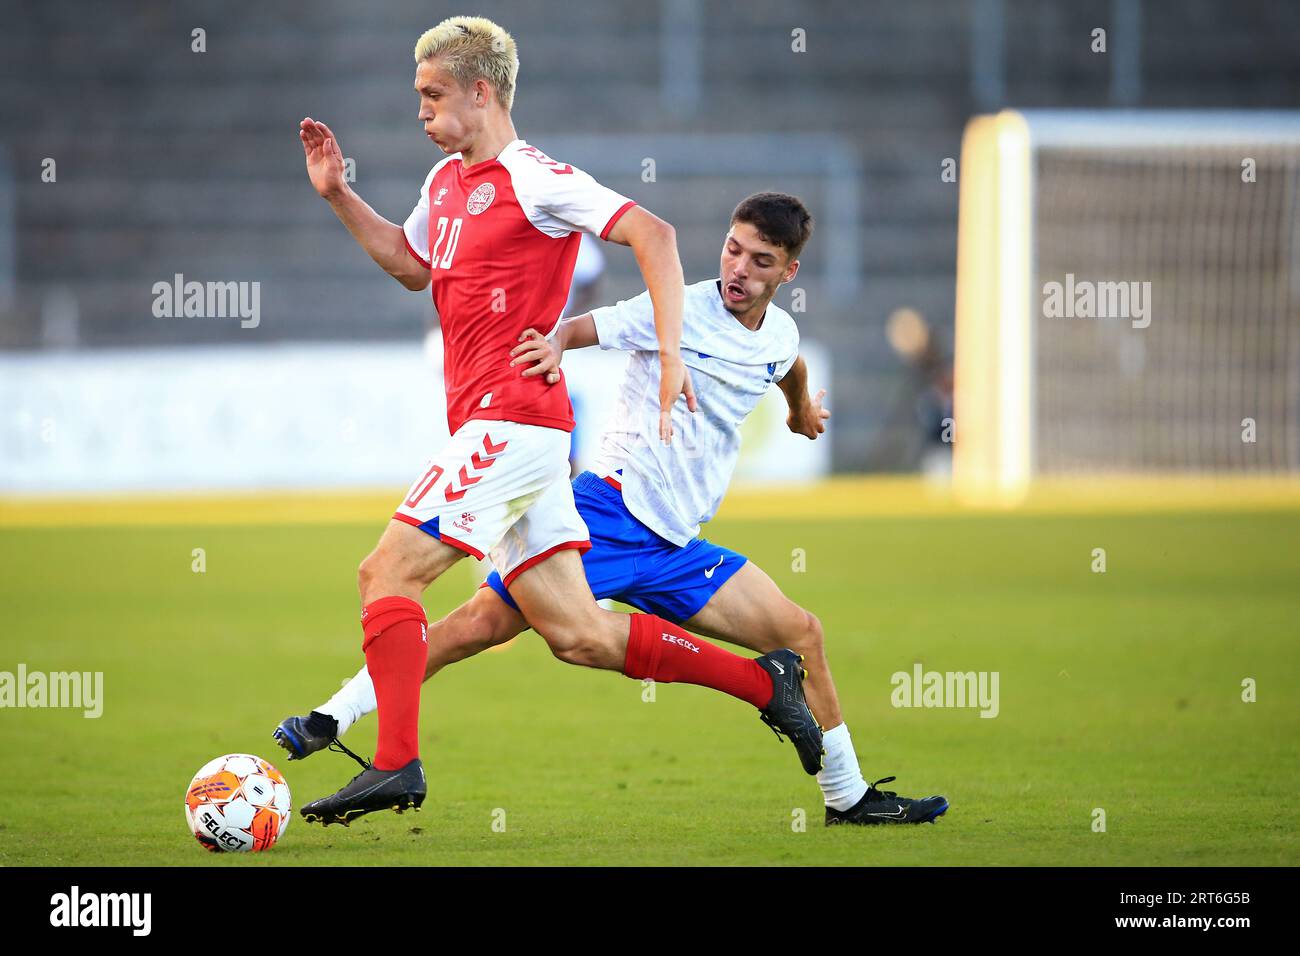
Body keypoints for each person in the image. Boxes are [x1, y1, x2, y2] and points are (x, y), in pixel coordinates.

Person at [293, 17, 821, 826]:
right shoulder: (444, 186)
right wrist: (338, 195)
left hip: (513, 421)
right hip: (509, 434)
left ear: (481, 91)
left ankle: (396, 762)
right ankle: (765, 683)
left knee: (384, 574)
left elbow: (656, 232)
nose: (422, 112)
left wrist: (673, 355)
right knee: (579, 634)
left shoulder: (534, 178)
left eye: (433, 96)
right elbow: (410, 264)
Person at [278, 191, 948, 826]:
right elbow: (581, 327)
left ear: (788, 271)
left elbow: (788, 361)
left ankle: (848, 796)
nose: (739, 269)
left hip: (677, 545)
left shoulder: (779, 335)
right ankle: (333, 717)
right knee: (475, 625)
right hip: (607, 514)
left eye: (760, 261)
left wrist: (801, 411)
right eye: (733, 249)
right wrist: (550, 346)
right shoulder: (673, 311)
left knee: (802, 633)